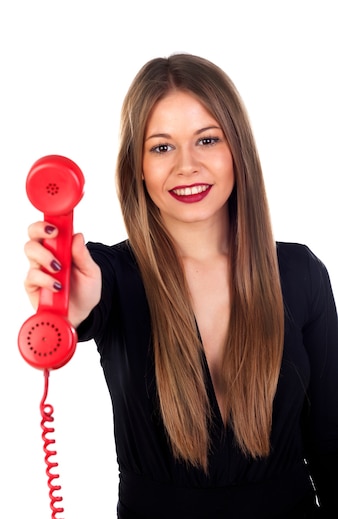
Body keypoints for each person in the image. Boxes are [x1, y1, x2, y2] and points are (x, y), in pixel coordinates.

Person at [22, 53, 338, 518]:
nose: (187, 166)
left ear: (238, 151)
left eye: (207, 140)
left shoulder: (300, 272)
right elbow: (88, 303)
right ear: (138, 168)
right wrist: (64, 307)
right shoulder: (111, 276)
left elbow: (332, 446)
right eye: (162, 147)